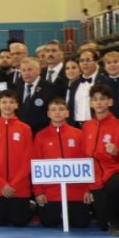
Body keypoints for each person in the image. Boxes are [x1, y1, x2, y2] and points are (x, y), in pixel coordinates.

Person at [81, 84, 119, 236]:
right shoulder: (87, 127)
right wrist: (86, 187)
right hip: (95, 177)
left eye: (102, 99)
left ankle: (117, 220)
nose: (99, 102)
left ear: (110, 102)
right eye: (95, 99)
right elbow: (84, 157)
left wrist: (117, 152)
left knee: (116, 183)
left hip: (114, 172)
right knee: (103, 225)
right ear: (90, 103)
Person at [30, 99, 90, 230]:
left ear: (67, 113)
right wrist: (38, 192)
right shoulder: (40, 136)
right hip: (51, 193)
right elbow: (35, 165)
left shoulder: (79, 134)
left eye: (61, 109)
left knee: (82, 223)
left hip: (76, 192)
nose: (57, 112)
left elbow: (87, 162)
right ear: (48, 114)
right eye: (53, 109)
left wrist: (87, 190)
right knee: (49, 222)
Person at [0, 89, 33, 226]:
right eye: (4, 102)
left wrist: (14, 184)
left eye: (11, 102)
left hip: (19, 187)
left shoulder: (25, 129)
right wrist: (1, 184)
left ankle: (30, 205)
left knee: (20, 222)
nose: (7, 105)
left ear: (16, 105)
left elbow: (28, 159)